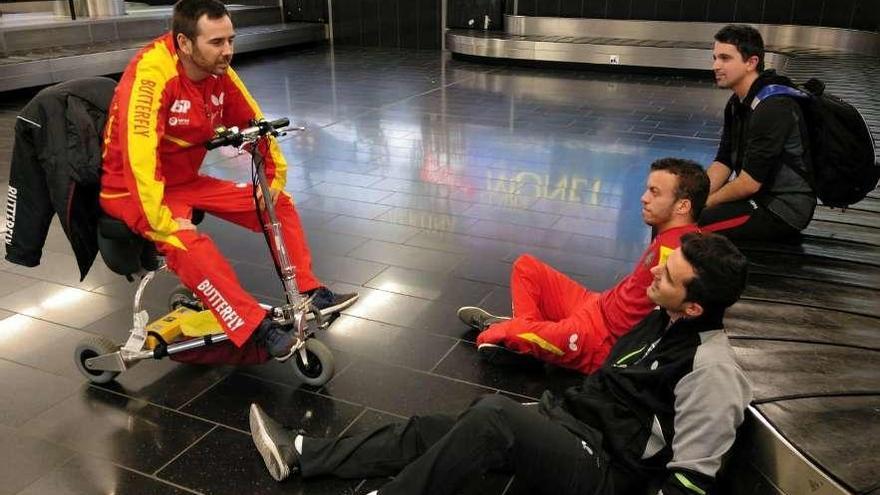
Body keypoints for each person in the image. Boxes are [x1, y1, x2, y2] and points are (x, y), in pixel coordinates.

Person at [248, 232, 752, 495]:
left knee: (493, 417)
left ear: (694, 306)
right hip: (575, 423)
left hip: (605, 471)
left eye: (669, 274)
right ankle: (302, 453)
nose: (655, 270)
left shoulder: (711, 370)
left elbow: (693, 477)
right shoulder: (661, 317)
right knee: (441, 427)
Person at [100, 0, 356, 361]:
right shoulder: (150, 76)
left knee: (276, 204)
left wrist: (273, 177)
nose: (228, 51)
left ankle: (309, 291)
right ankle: (254, 327)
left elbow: (254, 121)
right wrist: (163, 222)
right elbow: (137, 156)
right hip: (132, 188)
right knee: (187, 241)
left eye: (231, 40)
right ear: (184, 43)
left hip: (184, 179)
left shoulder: (217, 71)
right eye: (217, 42)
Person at [457, 157, 707, 374]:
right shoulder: (673, 235)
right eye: (647, 189)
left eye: (655, 192)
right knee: (526, 267)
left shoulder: (677, 256)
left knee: (487, 338)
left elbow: (668, 327)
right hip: (597, 304)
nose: (643, 198)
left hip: (599, 339)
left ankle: (519, 333)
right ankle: (530, 338)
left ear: (683, 205)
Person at [699, 24, 816, 242]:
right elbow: (723, 161)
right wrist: (698, 196)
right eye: (715, 57)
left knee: (689, 226)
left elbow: (748, 183)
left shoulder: (773, 107)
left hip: (782, 208)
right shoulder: (737, 103)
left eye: (725, 58)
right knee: (681, 213)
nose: (715, 65)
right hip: (756, 196)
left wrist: (706, 203)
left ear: (751, 62)